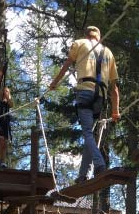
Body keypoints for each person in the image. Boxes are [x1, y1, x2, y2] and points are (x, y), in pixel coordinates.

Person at [49, 25, 120, 182]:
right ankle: (83, 175)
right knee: (89, 134)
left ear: (87, 34)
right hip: (100, 96)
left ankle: (99, 164)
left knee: (87, 132)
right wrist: (115, 111)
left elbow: (67, 64)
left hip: (84, 92)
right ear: (98, 36)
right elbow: (114, 89)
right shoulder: (109, 53)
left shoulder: (79, 43)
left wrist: (54, 83)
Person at [0, 65, 13, 169]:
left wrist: (8, 94)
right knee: (1, 141)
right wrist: (1, 73)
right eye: (4, 92)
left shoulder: (8, 104)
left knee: (5, 143)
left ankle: (3, 162)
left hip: (6, 124)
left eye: (7, 92)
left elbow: (11, 103)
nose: (5, 93)